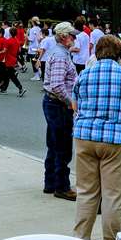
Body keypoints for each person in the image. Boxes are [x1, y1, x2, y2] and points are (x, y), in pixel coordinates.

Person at [72, 35, 121, 240]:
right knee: (113, 196)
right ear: (120, 55)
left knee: (86, 192)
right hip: (117, 140)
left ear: (96, 54)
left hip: (85, 138)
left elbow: (75, 106)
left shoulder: (84, 75)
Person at [42, 21, 78, 201]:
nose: (74, 38)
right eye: (72, 35)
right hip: (58, 104)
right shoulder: (61, 56)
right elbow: (57, 85)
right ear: (64, 37)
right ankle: (62, 186)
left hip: (53, 103)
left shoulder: (59, 53)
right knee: (62, 146)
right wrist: (71, 102)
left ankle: (51, 182)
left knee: (54, 144)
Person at [0, 26, 26, 97]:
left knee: (11, 76)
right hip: (13, 59)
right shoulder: (17, 41)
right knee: (7, 75)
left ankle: (20, 88)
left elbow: (4, 51)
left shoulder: (8, 41)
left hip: (8, 59)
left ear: (10, 33)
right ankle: (4, 89)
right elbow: (19, 51)